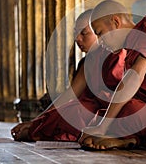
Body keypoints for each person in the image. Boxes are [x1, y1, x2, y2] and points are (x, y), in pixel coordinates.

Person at [11, 9, 126, 141]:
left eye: (84, 33)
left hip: (112, 110)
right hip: (89, 110)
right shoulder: (89, 61)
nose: (77, 39)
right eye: (75, 34)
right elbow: (70, 94)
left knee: (76, 113)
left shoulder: (121, 53)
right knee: (69, 111)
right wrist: (36, 120)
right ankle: (35, 130)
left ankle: (35, 133)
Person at [78, 0, 146, 150]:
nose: (99, 42)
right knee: (115, 111)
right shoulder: (129, 52)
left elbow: (135, 77)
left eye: (100, 33)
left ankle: (126, 137)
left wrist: (102, 127)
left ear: (115, 22)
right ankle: (131, 140)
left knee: (128, 113)